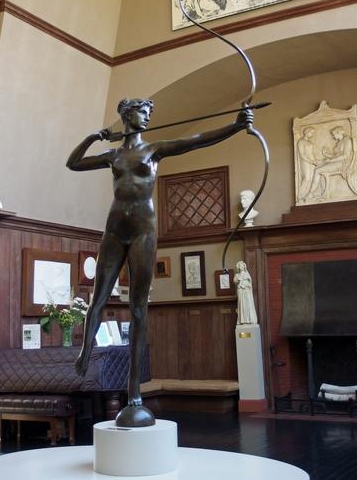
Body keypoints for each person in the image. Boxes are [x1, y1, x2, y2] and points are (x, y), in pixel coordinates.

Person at [67, 98, 252, 425]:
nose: (148, 117)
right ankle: (84, 352)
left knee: (139, 308)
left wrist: (236, 126)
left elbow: (197, 140)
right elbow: (74, 163)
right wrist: (93, 137)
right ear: (127, 115)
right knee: (97, 299)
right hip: (114, 229)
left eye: (151, 113)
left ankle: (134, 389)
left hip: (143, 230)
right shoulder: (114, 155)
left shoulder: (155, 149)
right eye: (142, 112)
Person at [306, 125, 356, 200]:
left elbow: (345, 156)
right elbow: (335, 156)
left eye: (334, 134)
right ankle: (317, 192)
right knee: (318, 166)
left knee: (317, 170)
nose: (333, 136)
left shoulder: (347, 141)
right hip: (337, 162)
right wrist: (327, 155)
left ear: (338, 133)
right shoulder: (340, 142)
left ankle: (311, 193)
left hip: (343, 164)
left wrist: (330, 160)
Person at [296, 127, 317, 202]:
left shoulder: (310, 143)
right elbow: (302, 154)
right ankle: (299, 195)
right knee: (306, 178)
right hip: (305, 161)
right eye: (311, 132)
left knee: (311, 178)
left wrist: (315, 161)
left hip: (312, 162)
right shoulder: (300, 142)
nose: (311, 134)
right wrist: (311, 161)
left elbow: (312, 153)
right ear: (306, 132)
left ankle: (307, 196)